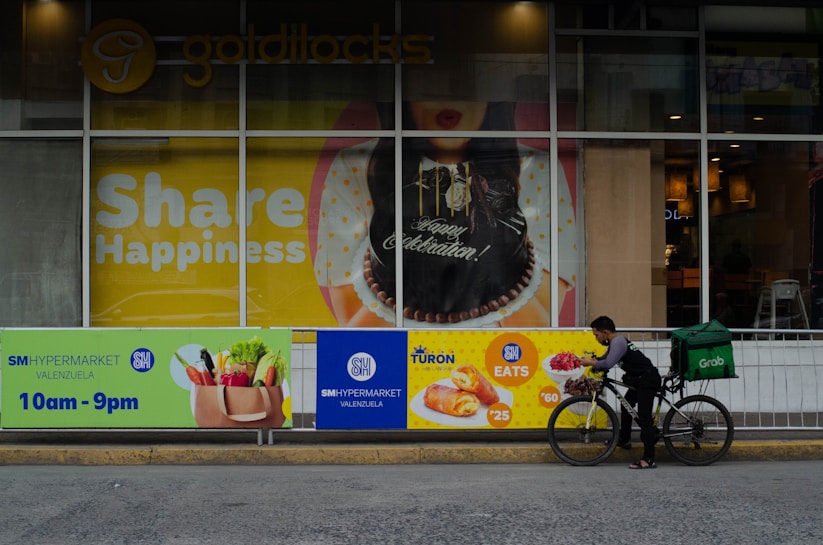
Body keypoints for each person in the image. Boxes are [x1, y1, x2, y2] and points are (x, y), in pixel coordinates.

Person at [314, 100, 577, 327]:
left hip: (495, 360)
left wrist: (489, 258)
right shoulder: (358, 165)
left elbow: (541, 329)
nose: (450, 97)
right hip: (401, 360)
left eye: (469, 84)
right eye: (430, 82)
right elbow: (353, 331)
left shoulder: (536, 168)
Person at [578, 316, 662, 469]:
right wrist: (594, 362)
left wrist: (592, 362)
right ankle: (624, 439)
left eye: (596, 335)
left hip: (648, 380)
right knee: (626, 406)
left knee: (644, 419)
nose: (596, 338)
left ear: (605, 332)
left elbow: (609, 363)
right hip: (640, 380)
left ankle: (649, 459)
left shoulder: (618, 342)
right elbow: (606, 358)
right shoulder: (614, 342)